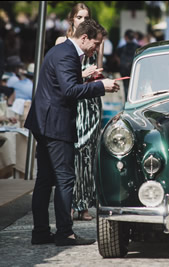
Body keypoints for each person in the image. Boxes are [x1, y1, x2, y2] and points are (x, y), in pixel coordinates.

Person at [25, 19, 120, 246]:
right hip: (55, 125)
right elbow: (69, 90)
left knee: (45, 180)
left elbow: (64, 85)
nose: (96, 49)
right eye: (95, 44)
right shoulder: (67, 54)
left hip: (45, 123)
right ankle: (65, 233)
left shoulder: (61, 51)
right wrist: (101, 87)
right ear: (84, 37)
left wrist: (88, 79)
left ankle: (40, 233)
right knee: (65, 179)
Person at [56, 3, 104, 222]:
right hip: (74, 100)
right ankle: (72, 204)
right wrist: (83, 74)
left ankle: (85, 204)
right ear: (72, 20)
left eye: (86, 17)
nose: (83, 21)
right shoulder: (62, 43)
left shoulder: (97, 41)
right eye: (79, 17)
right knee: (75, 152)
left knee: (89, 154)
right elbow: (64, 80)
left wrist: (97, 75)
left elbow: (99, 72)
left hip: (91, 103)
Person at [117, 29, 140, 98]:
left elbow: (117, 58)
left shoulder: (121, 49)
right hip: (135, 71)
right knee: (135, 88)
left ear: (125, 37)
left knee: (126, 89)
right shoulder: (138, 48)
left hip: (124, 72)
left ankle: (127, 102)